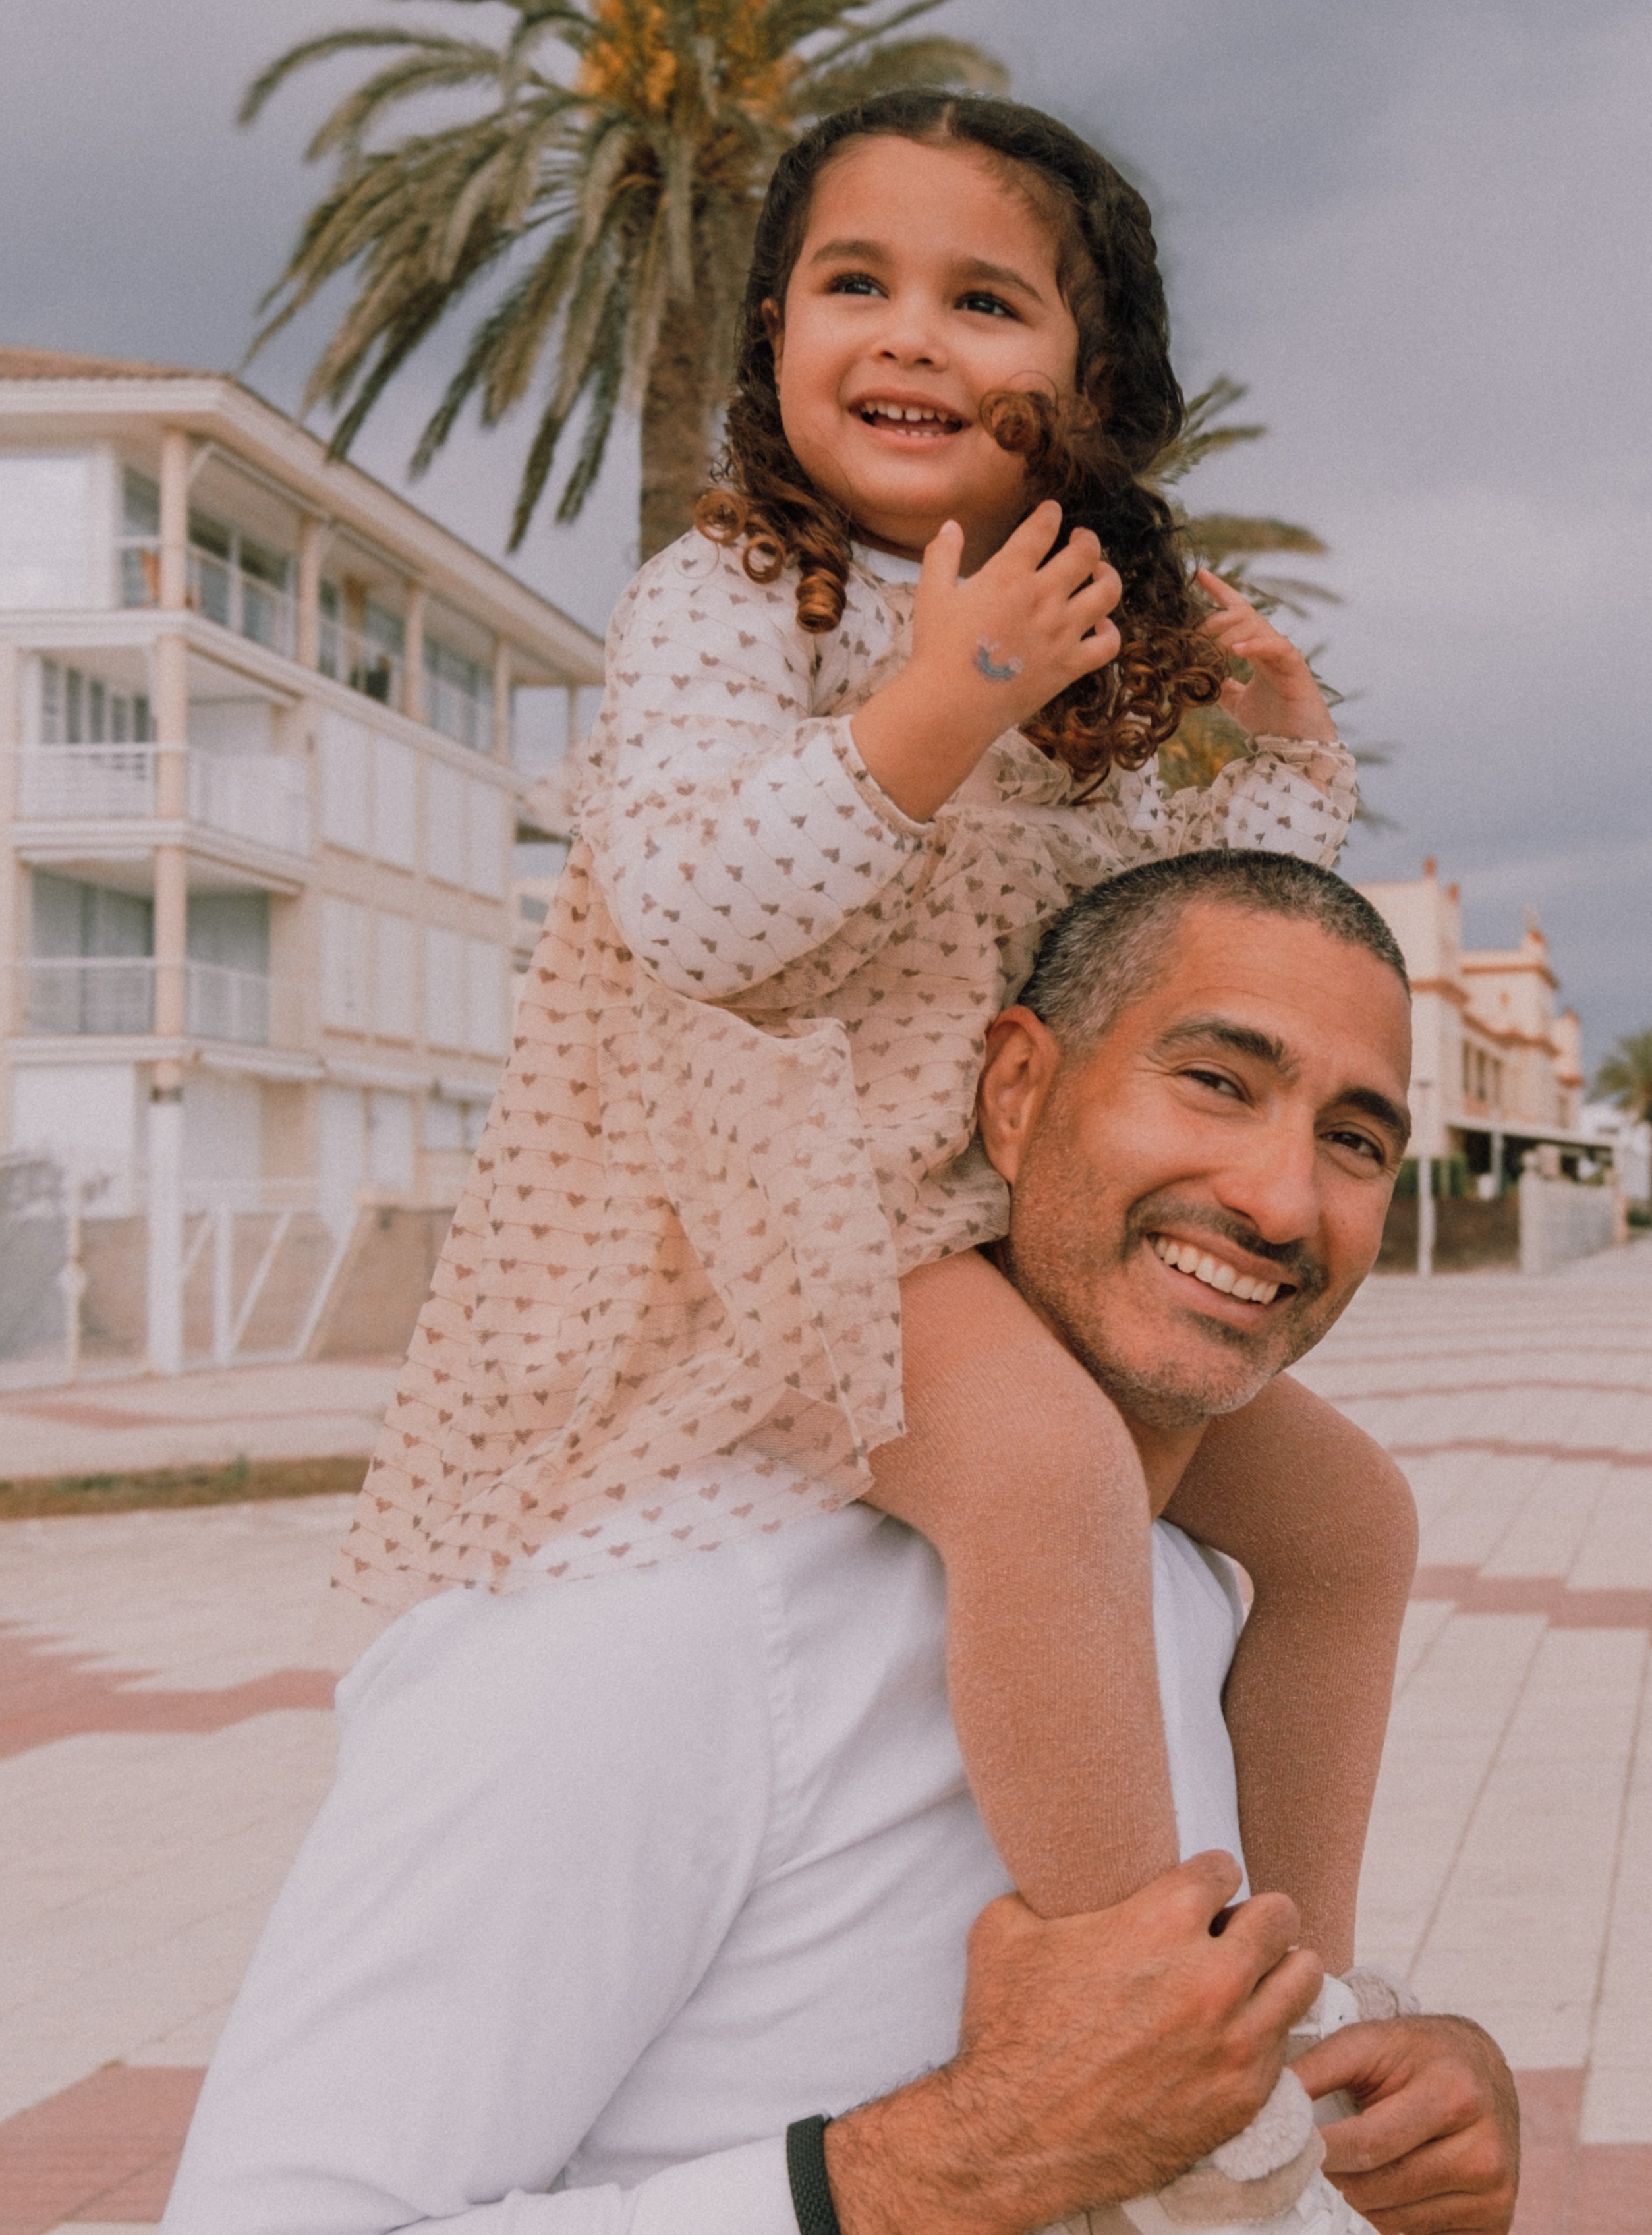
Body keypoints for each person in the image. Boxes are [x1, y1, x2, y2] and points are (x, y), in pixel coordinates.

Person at [331, 95, 1413, 2011]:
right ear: (772, 339)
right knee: (1050, 1474)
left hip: (988, 1227)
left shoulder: (1072, 644)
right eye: (857, 284)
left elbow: (1153, 942)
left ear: (1095, 387)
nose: (911, 335)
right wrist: (936, 706)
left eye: (985, 300)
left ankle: (1297, 1987)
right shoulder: (737, 599)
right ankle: (1126, 1996)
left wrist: (1280, 768)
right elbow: (693, 909)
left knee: (1350, 1521)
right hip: (790, 1237)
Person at [162, 856, 1518, 2234]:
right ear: (1012, 1093)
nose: (1283, 1201)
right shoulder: (660, 1617)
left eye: (1353, 1140)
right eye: (1215, 1082)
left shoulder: (1183, 1595)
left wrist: (1381, 2104)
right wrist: (940, 2164)